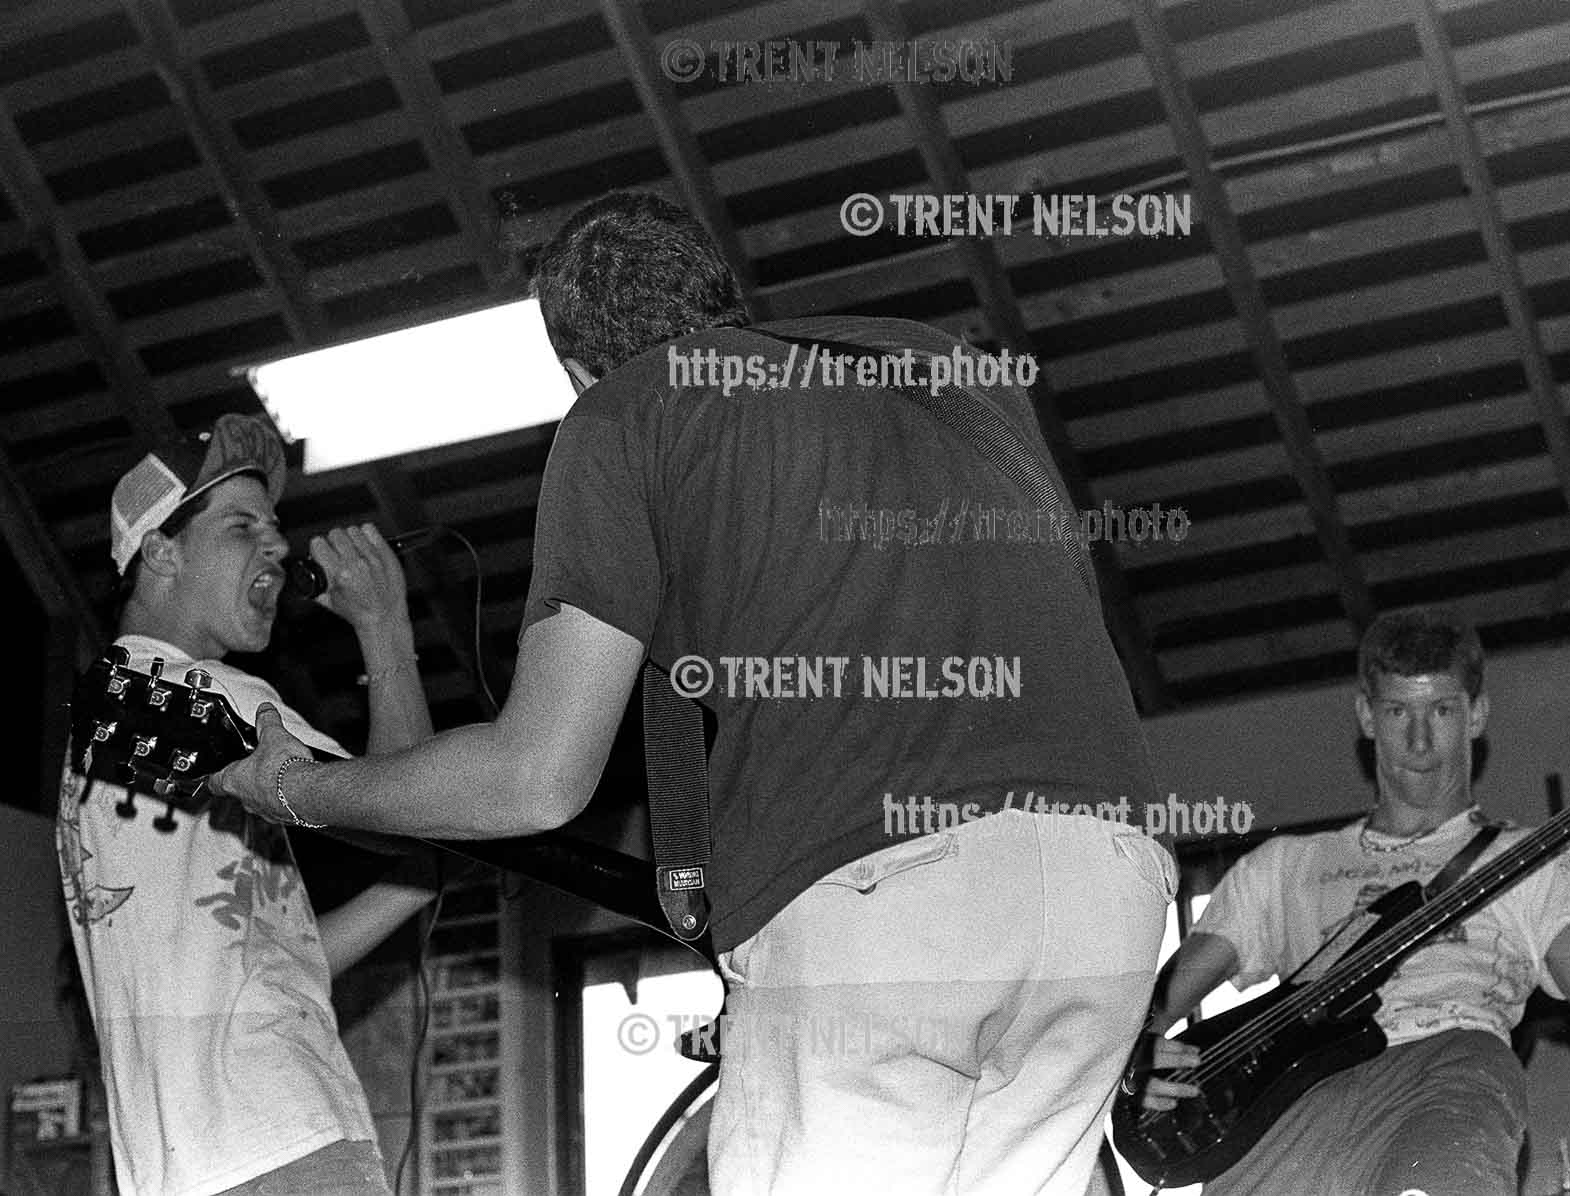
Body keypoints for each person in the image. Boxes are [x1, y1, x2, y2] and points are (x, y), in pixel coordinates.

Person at [208, 190, 1175, 1195]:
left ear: (576, 367)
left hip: (877, 880)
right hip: (1108, 894)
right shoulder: (950, 369)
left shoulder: (624, 409)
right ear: (728, 302)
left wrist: (295, 786)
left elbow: (536, 778)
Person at [1138, 606, 1570, 1196]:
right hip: (1293, 1096)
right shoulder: (1286, 867)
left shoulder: (1532, 861)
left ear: (1477, 715)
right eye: (1397, 711)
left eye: (1441, 710)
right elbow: (1153, 1007)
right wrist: (1137, 1066)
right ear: (1366, 715)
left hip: (1449, 1074)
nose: (1418, 741)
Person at [58, 413, 442, 1195]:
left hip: (199, 1163)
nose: (277, 546)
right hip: (279, 1133)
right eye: (241, 526)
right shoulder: (205, 693)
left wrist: (417, 882)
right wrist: (384, 626)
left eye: (275, 527)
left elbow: (278, 960)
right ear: (161, 551)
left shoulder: (120, 714)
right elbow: (411, 803)